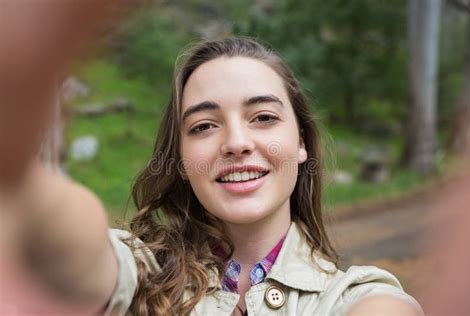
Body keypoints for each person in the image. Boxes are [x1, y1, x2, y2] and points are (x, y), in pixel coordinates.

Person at [0, 4, 423, 315]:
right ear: (182, 159)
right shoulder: (143, 274)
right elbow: (73, 252)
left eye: (263, 117)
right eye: (203, 126)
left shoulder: (355, 297)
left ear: (301, 143)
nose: (236, 142)